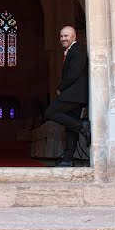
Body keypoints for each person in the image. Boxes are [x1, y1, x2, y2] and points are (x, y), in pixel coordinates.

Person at [45, 26, 88, 167]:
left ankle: (82, 126)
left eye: (66, 36)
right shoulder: (71, 51)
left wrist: (60, 88)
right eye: (61, 36)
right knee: (70, 128)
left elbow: (74, 73)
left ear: (74, 36)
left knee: (51, 112)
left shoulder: (77, 50)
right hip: (73, 95)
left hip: (73, 95)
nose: (63, 38)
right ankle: (68, 159)